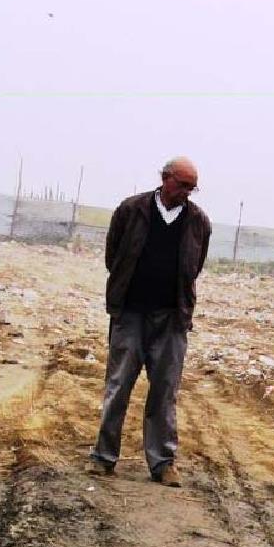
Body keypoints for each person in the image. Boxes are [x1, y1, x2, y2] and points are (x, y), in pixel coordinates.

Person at [87, 157, 211, 487]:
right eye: (182, 184)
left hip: (172, 318)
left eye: (192, 187)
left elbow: (193, 267)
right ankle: (103, 457)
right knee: (118, 386)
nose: (187, 192)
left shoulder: (198, 222)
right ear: (165, 179)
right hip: (130, 313)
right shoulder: (132, 210)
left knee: (164, 392)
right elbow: (113, 256)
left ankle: (163, 463)